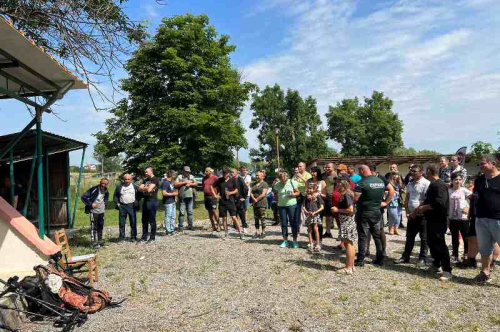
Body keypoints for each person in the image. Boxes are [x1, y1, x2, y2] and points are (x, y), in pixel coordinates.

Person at [415, 164, 452, 281]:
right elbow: (428, 200)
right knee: (431, 242)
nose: (426, 173)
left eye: (427, 171)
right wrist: (418, 209)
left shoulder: (439, 185)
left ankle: (447, 270)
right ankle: (436, 264)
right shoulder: (433, 184)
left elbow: (440, 203)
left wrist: (425, 207)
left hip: (439, 219)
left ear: (430, 172)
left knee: (440, 244)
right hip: (430, 219)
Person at [471, 155, 500, 283]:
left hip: (498, 219)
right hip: (481, 219)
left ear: (492, 164)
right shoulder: (479, 180)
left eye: (483, 164)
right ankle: (485, 272)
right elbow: (476, 197)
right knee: (484, 248)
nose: (480, 166)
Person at [354, 165, 390, 266]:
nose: (358, 173)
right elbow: (390, 191)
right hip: (377, 212)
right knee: (377, 236)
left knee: (362, 236)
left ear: (362, 170)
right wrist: (386, 202)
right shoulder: (380, 181)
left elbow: (355, 198)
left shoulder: (361, 183)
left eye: (359, 171)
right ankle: (379, 258)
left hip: (364, 213)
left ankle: (360, 260)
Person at [394, 165, 430, 267]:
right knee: (409, 237)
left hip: (422, 215)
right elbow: (407, 197)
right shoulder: (410, 183)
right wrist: (407, 211)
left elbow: (426, 200)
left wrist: (416, 211)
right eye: (411, 171)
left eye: (414, 171)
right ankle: (405, 257)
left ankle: (422, 258)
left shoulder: (426, 183)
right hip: (411, 214)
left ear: (421, 172)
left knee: (424, 238)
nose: (412, 173)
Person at [332, 178, 357, 275]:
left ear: (342, 183)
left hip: (347, 221)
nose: (336, 184)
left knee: (348, 244)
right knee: (348, 244)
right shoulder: (347, 193)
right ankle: (352, 265)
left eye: (337, 183)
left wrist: (337, 210)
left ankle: (349, 268)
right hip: (345, 221)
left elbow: (350, 210)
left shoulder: (346, 194)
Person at [212, 168, 244, 239]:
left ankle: (240, 232)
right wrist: (215, 195)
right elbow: (212, 186)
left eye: (225, 173)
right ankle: (226, 233)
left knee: (234, 217)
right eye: (223, 173)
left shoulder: (233, 180)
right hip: (222, 202)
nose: (224, 174)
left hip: (231, 201)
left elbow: (236, 190)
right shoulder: (220, 180)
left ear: (228, 173)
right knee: (224, 218)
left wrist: (230, 193)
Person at [448, 173, 471, 262]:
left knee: (465, 237)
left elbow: (474, 200)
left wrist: (468, 208)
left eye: (459, 179)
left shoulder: (464, 190)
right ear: (452, 180)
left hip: (463, 218)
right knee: (454, 237)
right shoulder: (448, 191)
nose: (458, 181)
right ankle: (455, 254)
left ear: (462, 180)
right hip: (452, 219)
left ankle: (466, 254)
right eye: (456, 179)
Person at [274, 171, 300, 248]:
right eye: (282, 180)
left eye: (285, 179)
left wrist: (293, 194)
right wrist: (277, 201)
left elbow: (298, 192)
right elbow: (275, 193)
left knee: (293, 223)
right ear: (279, 179)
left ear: (287, 177)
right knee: (284, 223)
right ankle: (285, 241)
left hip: (292, 205)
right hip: (281, 206)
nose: (284, 181)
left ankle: (295, 241)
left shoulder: (292, 182)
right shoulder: (277, 184)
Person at [81, 178, 109, 248]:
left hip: (101, 211)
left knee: (101, 225)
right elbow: (83, 197)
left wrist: (105, 203)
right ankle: (93, 242)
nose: (103, 185)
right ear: (100, 183)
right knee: (94, 226)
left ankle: (100, 241)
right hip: (94, 211)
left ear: (107, 185)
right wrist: (91, 204)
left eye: (105, 184)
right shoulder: (94, 189)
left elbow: (106, 198)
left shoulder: (106, 191)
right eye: (102, 183)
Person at [113, 174, 140, 241]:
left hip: (132, 206)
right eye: (126, 179)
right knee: (122, 222)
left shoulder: (135, 187)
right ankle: (122, 237)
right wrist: (117, 203)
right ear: (123, 180)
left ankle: (133, 236)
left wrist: (137, 201)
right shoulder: (119, 187)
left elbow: (140, 195)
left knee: (133, 222)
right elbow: (115, 196)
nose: (127, 181)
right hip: (122, 206)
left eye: (128, 179)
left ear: (131, 180)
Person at [139, 167, 160, 243]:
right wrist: (146, 188)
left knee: (152, 219)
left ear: (151, 171)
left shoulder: (155, 179)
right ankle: (144, 236)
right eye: (145, 172)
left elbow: (149, 190)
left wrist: (144, 188)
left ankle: (152, 237)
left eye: (147, 172)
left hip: (152, 201)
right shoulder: (146, 180)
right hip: (145, 201)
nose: (145, 173)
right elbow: (139, 188)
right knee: (144, 220)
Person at [307, 167, 326, 245]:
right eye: (311, 172)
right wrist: (308, 195)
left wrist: (317, 194)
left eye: (314, 172)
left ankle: (319, 241)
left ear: (318, 172)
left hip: (318, 204)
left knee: (318, 223)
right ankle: (312, 240)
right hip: (310, 204)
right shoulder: (308, 181)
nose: (312, 173)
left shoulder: (322, 182)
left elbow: (324, 195)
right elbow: (306, 191)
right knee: (310, 224)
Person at [175, 166, 198, 231]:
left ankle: (190, 226)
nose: (187, 173)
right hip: (182, 197)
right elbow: (176, 184)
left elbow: (196, 184)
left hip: (190, 197)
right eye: (186, 171)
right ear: (183, 171)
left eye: (188, 171)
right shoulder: (180, 177)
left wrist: (190, 184)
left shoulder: (192, 176)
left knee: (190, 212)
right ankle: (180, 226)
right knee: (182, 212)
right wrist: (184, 182)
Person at [302, 183, 324, 252]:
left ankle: (317, 244)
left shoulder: (317, 196)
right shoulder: (306, 197)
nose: (309, 189)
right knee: (309, 229)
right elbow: (303, 206)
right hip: (308, 215)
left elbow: (322, 207)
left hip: (315, 215)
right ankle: (311, 243)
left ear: (314, 189)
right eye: (308, 188)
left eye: (311, 188)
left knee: (315, 228)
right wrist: (306, 211)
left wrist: (315, 212)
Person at [250, 170, 269, 239]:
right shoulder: (253, 183)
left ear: (262, 176)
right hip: (255, 203)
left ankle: (263, 232)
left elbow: (263, 194)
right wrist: (253, 198)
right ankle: (257, 232)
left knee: (262, 218)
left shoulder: (265, 184)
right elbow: (251, 192)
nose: (257, 176)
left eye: (258, 175)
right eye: (256, 175)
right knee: (256, 218)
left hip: (261, 203)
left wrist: (256, 199)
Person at [321, 163, 337, 239]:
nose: (327, 168)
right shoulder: (323, 175)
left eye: (329, 167)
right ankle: (328, 232)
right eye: (326, 167)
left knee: (337, 217)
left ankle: (341, 236)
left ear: (333, 168)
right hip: (324, 198)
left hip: (333, 199)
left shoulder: (336, 176)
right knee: (327, 216)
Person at [202, 167, 220, 233]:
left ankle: (218, 225)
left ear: (210, 172)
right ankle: (213, 226)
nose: (205, 172)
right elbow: (203, 186)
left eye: (206, 171)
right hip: (206, 197)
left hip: (212, 197)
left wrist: (217, 194)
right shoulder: (204, 178)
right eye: (205, 171)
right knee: (209, 212)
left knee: (214, 211)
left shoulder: (215, 178)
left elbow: (220, 186)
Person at [162, 170, 178, 236]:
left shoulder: (171, 182)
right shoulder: (165, 182)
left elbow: (172, 190)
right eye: (174, 175)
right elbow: (164, 193)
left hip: (173, 201)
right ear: (171, 175)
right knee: (168, 216)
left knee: (173, 216)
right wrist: (173, 194)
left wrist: (175, 193)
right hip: (168, 202)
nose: (175, 176)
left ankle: (172, 229)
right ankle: (168, 230)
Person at [239, 166, 252, 231]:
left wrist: (240, 187)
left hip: (247, 195)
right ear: (240, 171)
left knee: (245, 209)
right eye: (243, 170)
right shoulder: (238, 177)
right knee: (239, 209)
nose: (244, 171)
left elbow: (247, 184)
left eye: (245, 170)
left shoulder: (248, 177)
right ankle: (239, 222)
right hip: (239, 195)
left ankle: (245, 222)